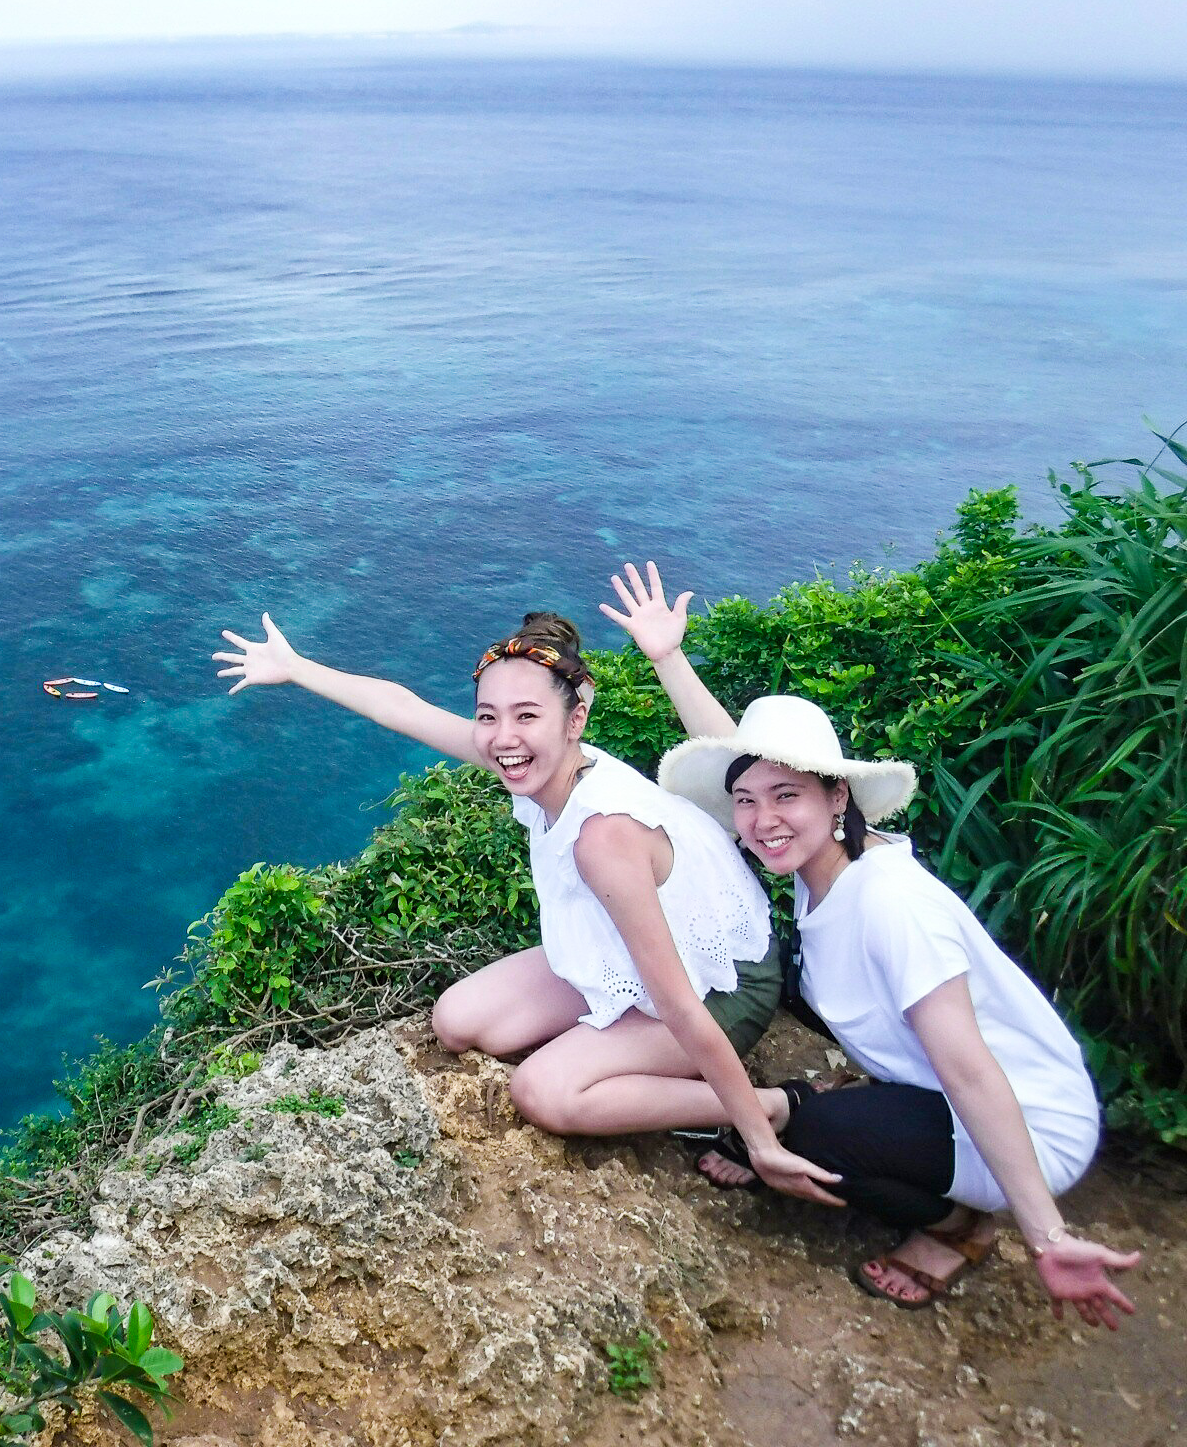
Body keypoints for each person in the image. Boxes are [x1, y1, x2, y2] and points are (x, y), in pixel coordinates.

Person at [602, 560, 1141, 1324]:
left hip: (1028, 1124)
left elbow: (971, 1070)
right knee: (782, 1101)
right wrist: (668, 658)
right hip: (949, 1098)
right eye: (747, 802)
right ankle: (907, 1154)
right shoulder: (830, 858)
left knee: (794, 1129)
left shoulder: (889, 902)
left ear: (837, 796)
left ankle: (958, 1226)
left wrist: (1047, 1236)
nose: (762, 820)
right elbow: (734, 756)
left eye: (787, 796)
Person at [212, 609, 843, 1202]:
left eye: (526, 716)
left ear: (575, 719)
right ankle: (636, 1054)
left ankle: (772, 1105)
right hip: (626, 952)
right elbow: (404, 709)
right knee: (458, 1021)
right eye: (487, 716)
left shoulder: (604, 836)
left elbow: (679, 1004)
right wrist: (297, 668)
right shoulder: (538, 763)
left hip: (722, 984)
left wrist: (760, 1143)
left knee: (544, 1092)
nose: (503, 738)